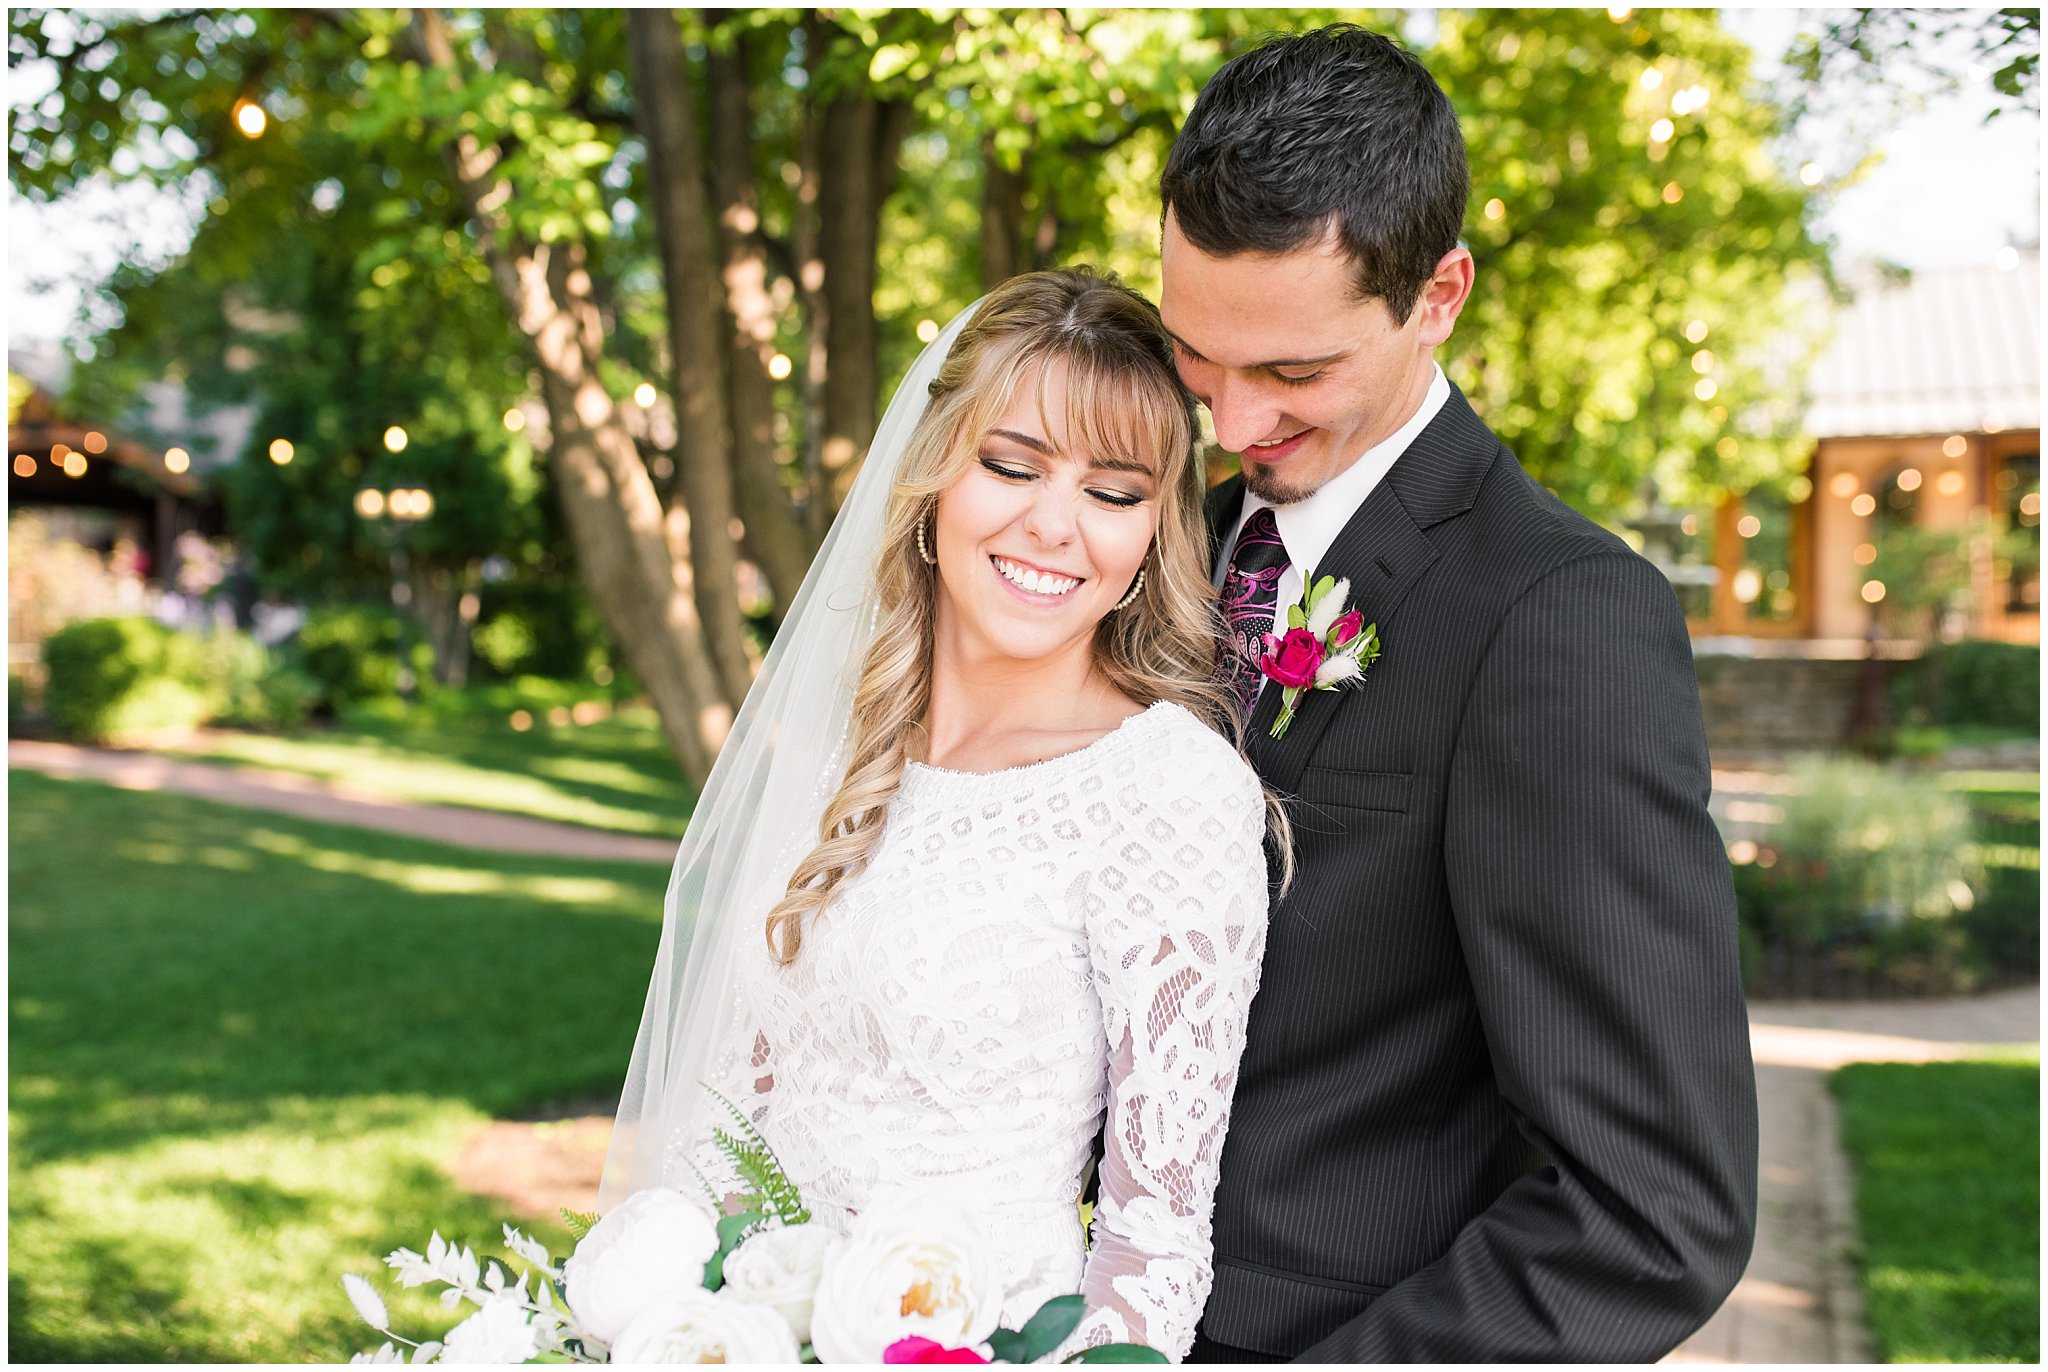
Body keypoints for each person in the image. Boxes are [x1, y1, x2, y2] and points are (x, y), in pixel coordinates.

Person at [1156, 24, 1758, 1363]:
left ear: (1439, 295)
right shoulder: (1158, 555)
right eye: (1198, 354)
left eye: (1295, 373)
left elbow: (1652, 1212)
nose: (1233, 424)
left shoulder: (1558, 620)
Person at [602, 269, 1280, 1359]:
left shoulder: (1167, 790)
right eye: (1010, 465)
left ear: (1154, 531)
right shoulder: (841, 753)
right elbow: (723, 1129)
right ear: (930, 478)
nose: (1053, 525)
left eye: (1112, 493)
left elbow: (1151, 1242)